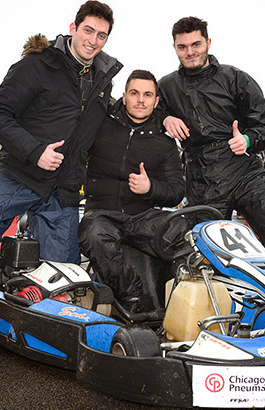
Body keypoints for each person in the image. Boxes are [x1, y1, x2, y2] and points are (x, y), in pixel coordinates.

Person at [0, 0, 122, 348]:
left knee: (64, 273)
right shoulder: (37, 65)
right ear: (73, 28)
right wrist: (34, 152)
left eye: (102, 35)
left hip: (61, 189)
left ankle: (49, 332)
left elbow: (116, 121)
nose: (93, 41)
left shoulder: (102, 80)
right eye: (88, 30)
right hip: (17, 174)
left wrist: (163, 115)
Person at [158, 16, 265, 262]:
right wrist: (164, 119)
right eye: (182, 47)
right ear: (174, 48)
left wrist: (247, 140)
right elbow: (137, 110)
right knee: (207, 257)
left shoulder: (235, 78)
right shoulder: (166, 86)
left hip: (245, 173)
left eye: (196, 44)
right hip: (202, 181)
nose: (190, 52)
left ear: (208, 43)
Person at [78, 70, 184, 313]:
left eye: (148, 95)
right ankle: (133, 297)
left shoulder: (165, 142)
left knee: (185, 231)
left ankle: (180, 301)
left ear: (157, 102)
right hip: (101, 213)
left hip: (142, 217)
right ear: (124, 96)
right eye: (135, 93)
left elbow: (177, 190)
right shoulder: (100, 125)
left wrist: (151, 188)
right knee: (95, 236)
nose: (141, 100)